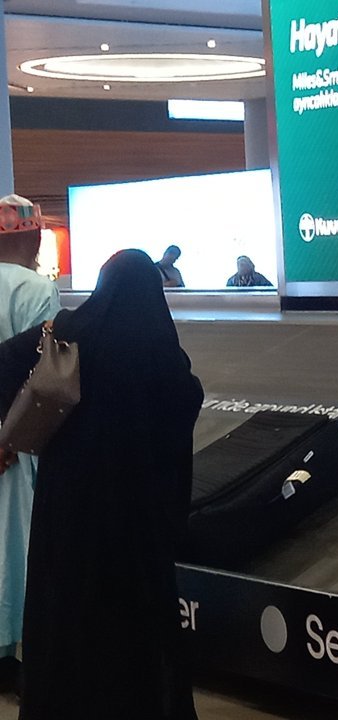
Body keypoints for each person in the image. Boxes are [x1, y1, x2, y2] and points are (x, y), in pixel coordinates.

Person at [0, 249, 203, 719]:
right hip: (137, 531)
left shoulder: (68, 332)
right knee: (137, 634)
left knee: (67, 623)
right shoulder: (162, 351)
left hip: (68, 523)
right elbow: (185, 404)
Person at [0, 196, 59, 685]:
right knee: (20, 549)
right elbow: (46, 374)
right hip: (17, 447)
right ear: (34, 236)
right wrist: (10, 439)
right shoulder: (38, 290)